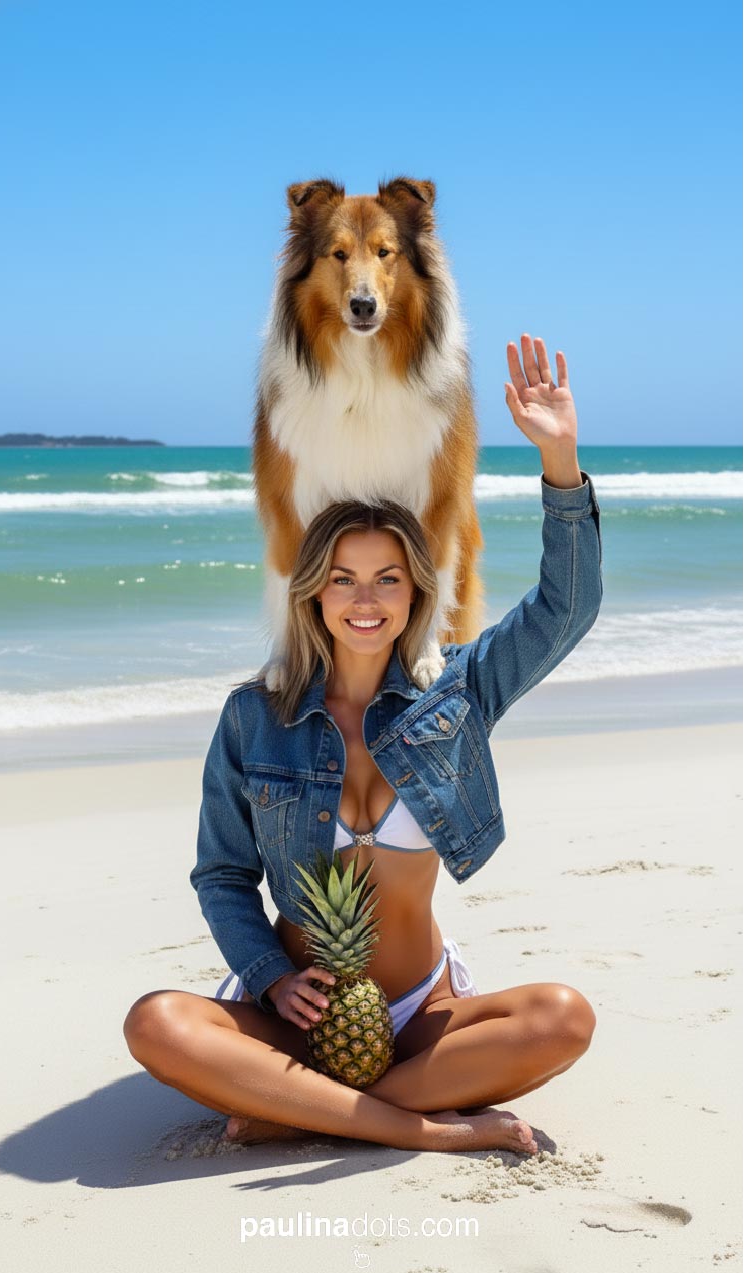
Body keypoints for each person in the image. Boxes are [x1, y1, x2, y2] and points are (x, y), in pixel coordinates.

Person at [124, 334, 603, 1155]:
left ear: (415, 587)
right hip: (298, 1014)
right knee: (156, 1022)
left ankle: (296, 1111)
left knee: (562, 1016)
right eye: (343, 578)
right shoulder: (254, 716)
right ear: (313, 593)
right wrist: (271, 979)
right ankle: (426, 1128)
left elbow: (564, 610)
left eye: (386, 577)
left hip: (422, 1009)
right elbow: (224, 875)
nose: (364, 598)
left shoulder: (458, 687)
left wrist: (559, 459)